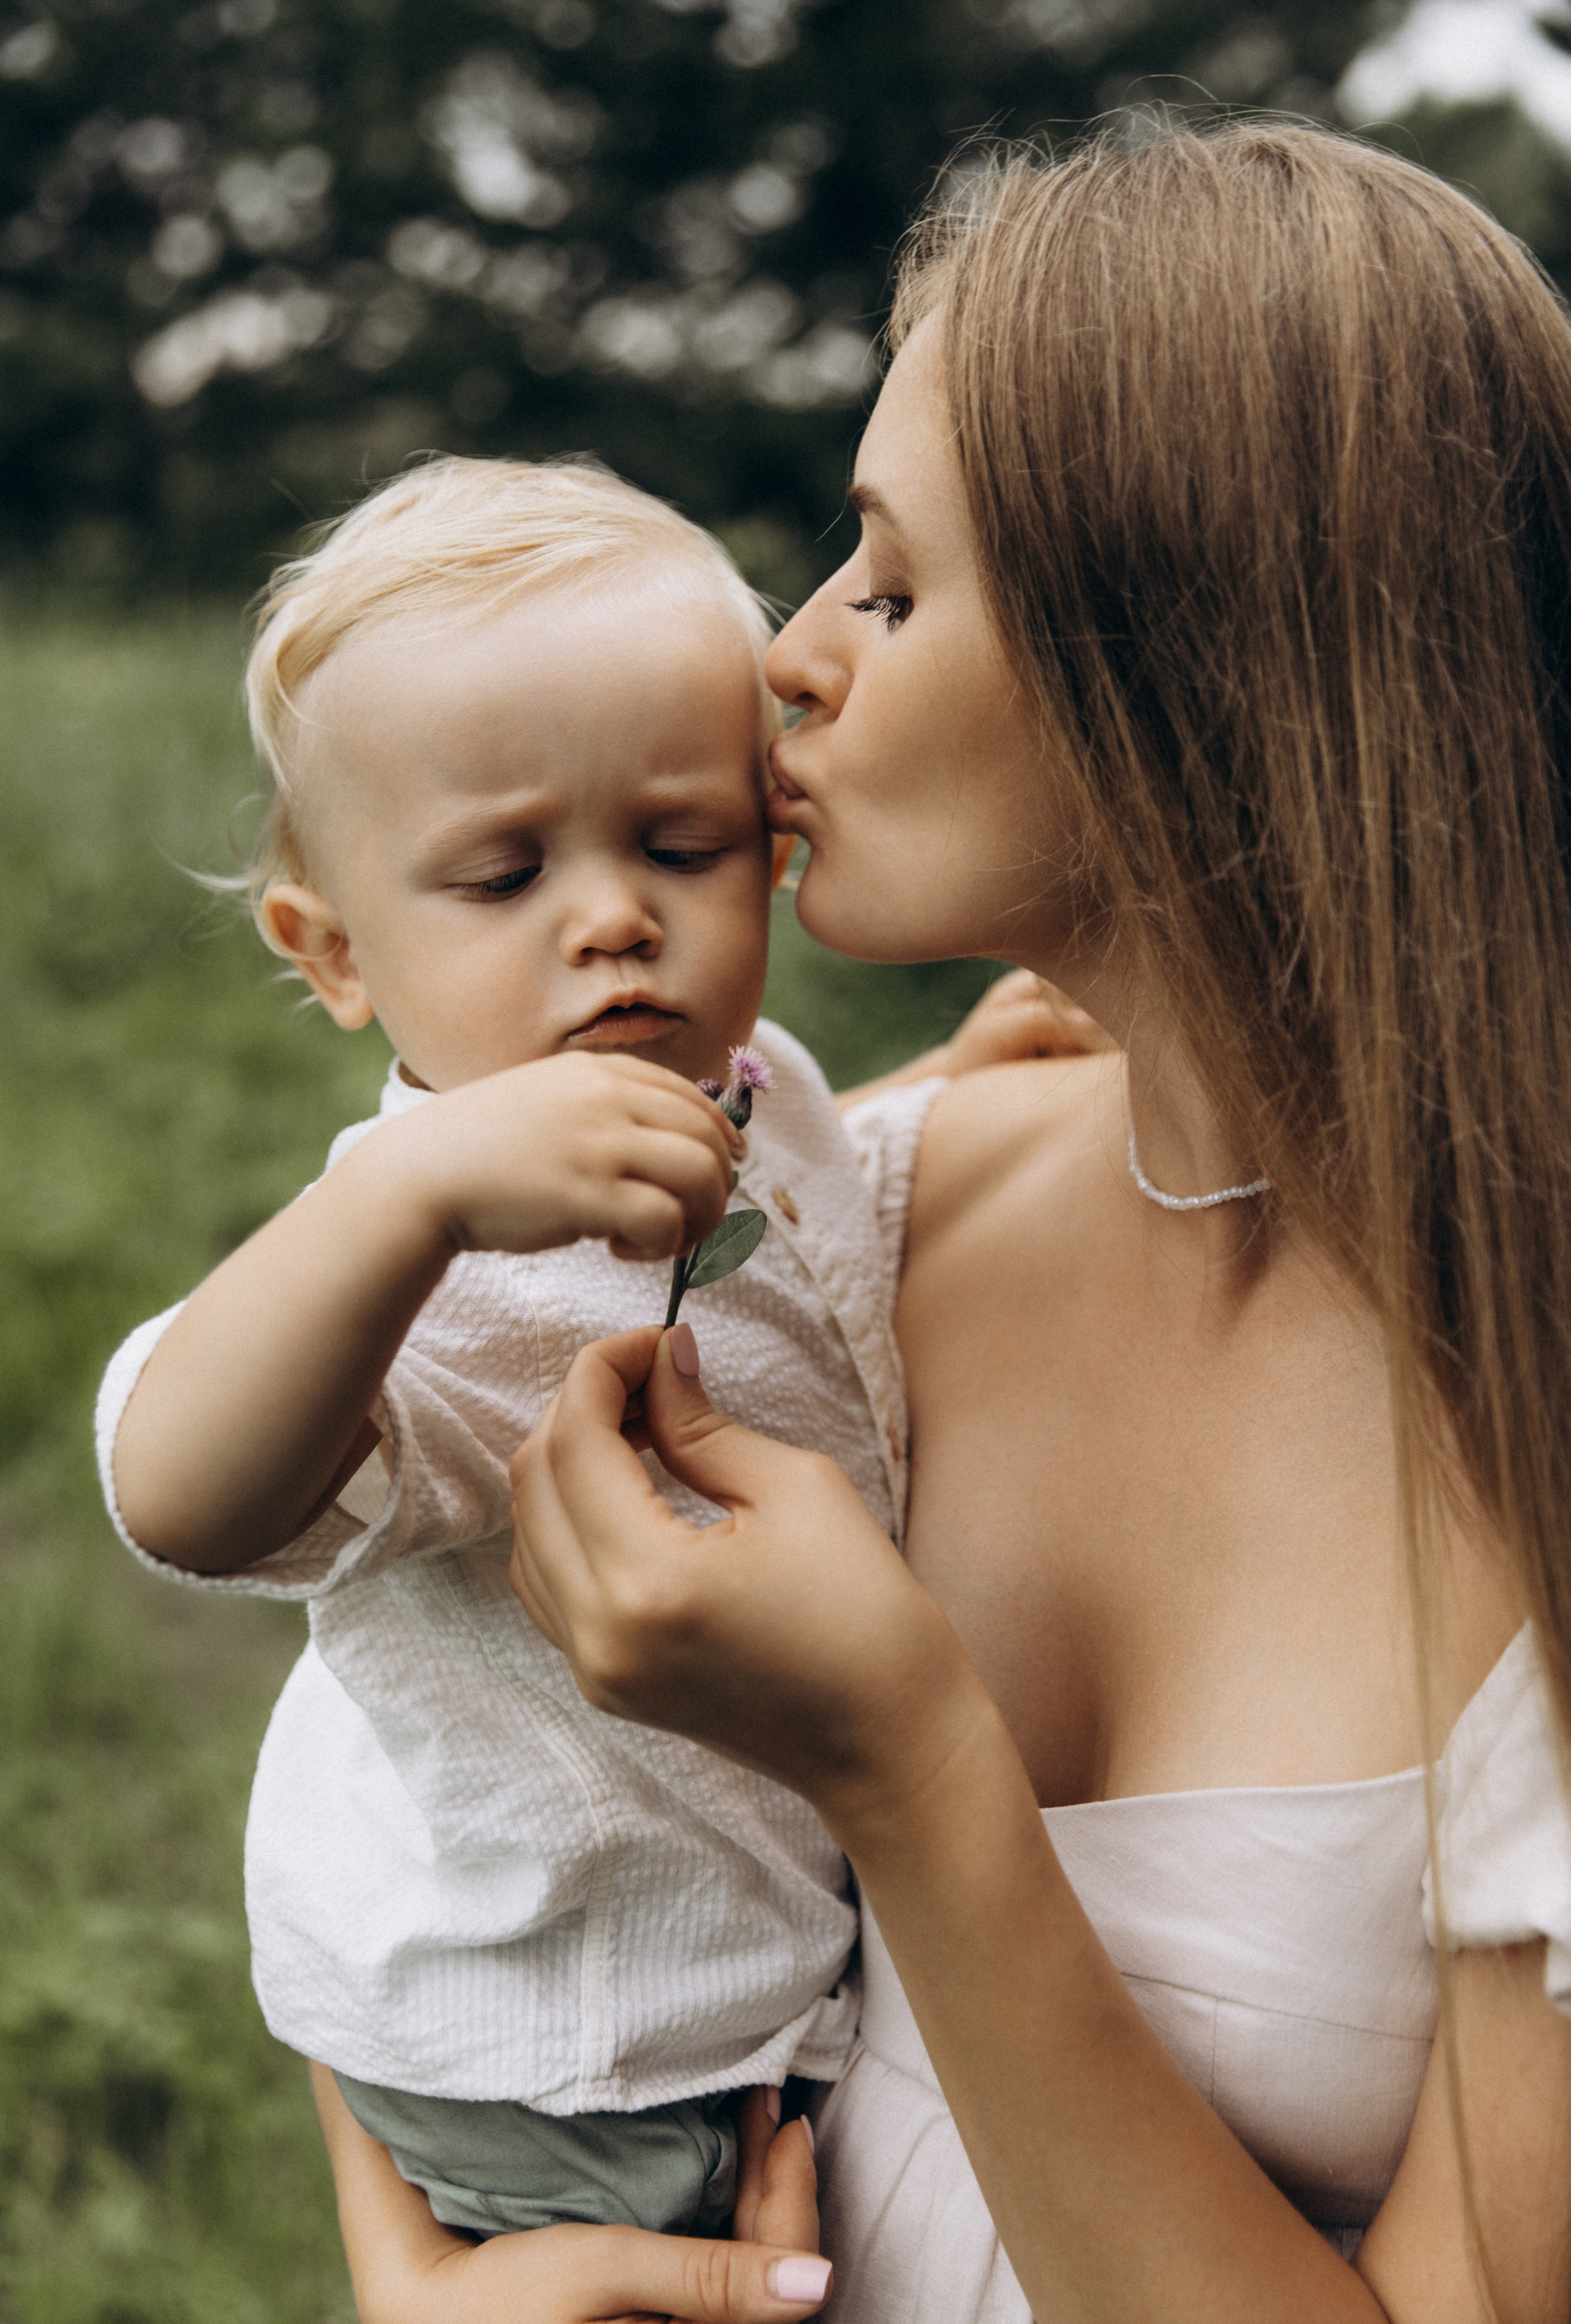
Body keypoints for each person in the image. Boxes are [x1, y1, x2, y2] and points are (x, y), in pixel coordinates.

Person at [492, 120, 1571, 2322]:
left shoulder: (1537, 1409)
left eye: (887, 587)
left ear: (1199, 666)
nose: (789, 658)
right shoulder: (862, 1206)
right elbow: (410, 1643)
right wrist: (413, 2252)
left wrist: (916, 1775)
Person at [93, 455, 1091, 2305]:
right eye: (505, 872)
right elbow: (178, 1490)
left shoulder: (749, 1080)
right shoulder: (414, 1271)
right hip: (557, 2041)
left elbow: (764, 1214)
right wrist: (401, 1199)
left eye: (684, 846)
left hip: (746, 1975)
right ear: (333, 958)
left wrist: (923, 1094)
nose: (615, 918)